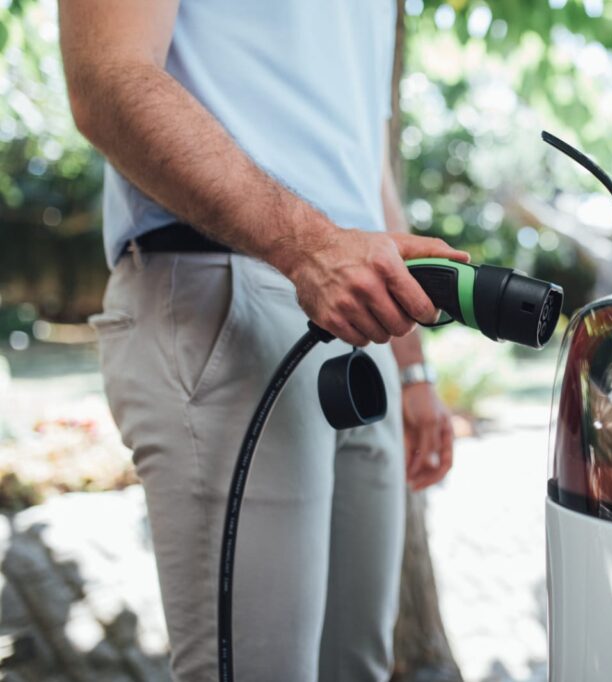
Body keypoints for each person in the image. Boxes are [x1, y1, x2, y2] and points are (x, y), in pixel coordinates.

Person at [57, 1, 463, 679]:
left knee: (357, 668)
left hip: (357, 312)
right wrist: (309, 247)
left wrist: (412, 370)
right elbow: (107, 74)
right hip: (230, 286)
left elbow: (362, 156)